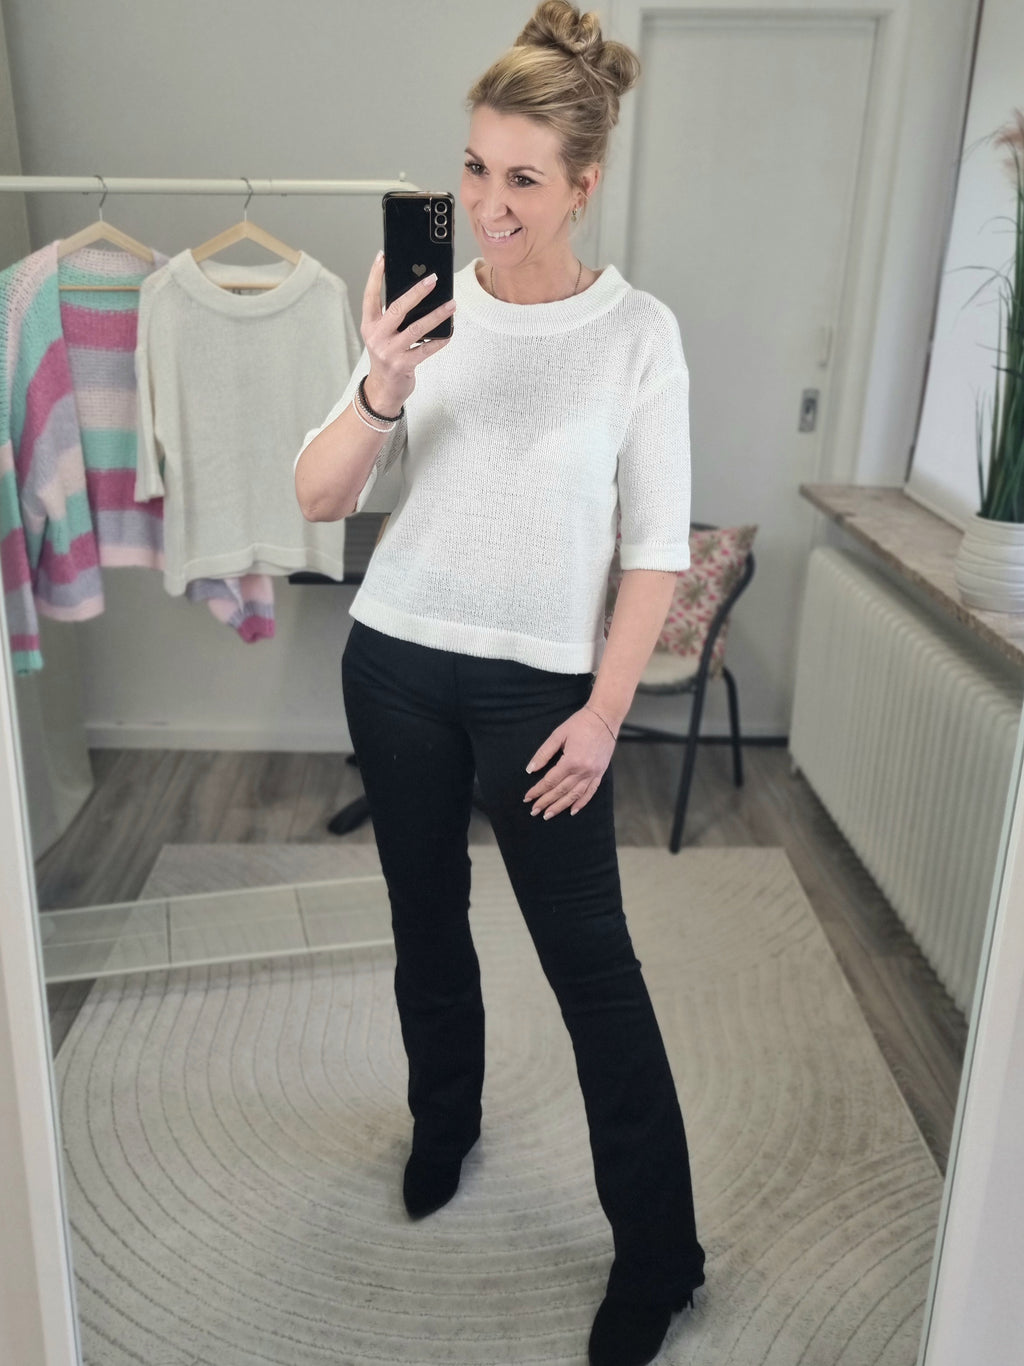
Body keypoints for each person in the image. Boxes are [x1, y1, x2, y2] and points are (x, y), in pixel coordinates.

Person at [294, 4, 705, 1362]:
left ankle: (662, 1256)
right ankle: (445, 1124)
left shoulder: (638, 335)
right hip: (397, 666)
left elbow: (655, 550)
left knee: (596, 973)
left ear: (584, 183)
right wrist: (383, 379)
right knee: (426, 923)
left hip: (545, 700)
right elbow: (317, 495)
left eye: (523, 178)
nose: (488, 204)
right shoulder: (427, 313)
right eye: (474, 168)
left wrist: (603, 713)